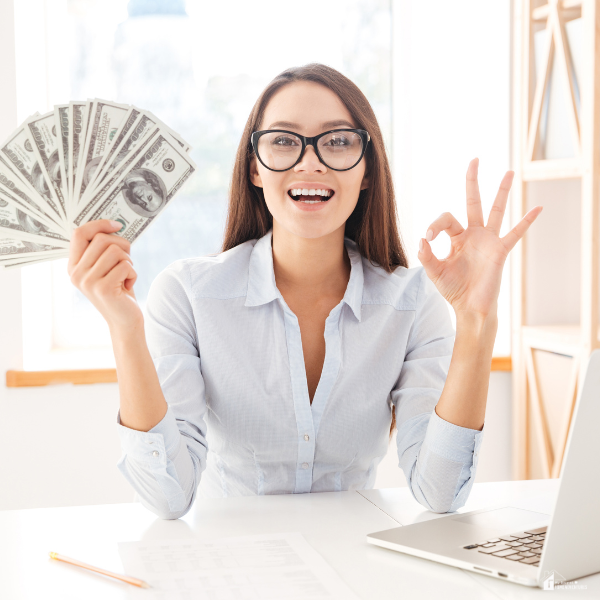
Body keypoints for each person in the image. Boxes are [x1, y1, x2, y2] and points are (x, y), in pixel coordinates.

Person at [67, 64, 542, 520]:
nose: (310, 160)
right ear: (255, 169)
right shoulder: (189, 294)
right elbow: (167, 496)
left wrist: (476, 322)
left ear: (367, 172)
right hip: (227, 567)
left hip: (351, 568)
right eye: (283, 141)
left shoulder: (412, 301)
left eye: (337, 142)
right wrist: (126, 329)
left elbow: (439, 492)